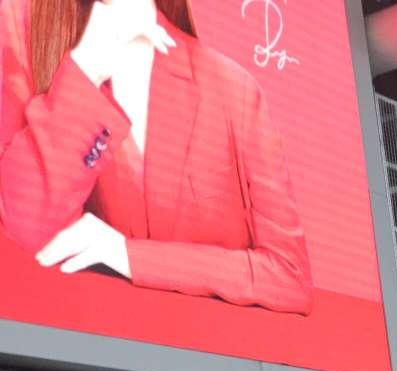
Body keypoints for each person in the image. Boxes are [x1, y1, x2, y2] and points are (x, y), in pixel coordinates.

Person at [0, 0, 312, 311]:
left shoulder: (232, 88)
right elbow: (24, 227)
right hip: (82, 330)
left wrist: (129, 255)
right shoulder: (32, 44)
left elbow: (289, 276)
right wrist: (86, 70)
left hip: (202, 337)